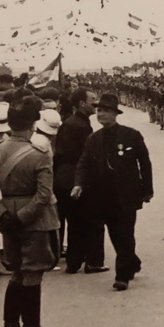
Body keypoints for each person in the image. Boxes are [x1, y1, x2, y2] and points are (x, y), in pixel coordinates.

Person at [0, 101, 59, 327]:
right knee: (33, 271)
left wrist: (2, 215)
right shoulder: (39, 154)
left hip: (6, 217)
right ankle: (32, 326)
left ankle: (11, 325)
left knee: (16, 271)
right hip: (35, 220)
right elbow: (44, 194)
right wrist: (23, 217)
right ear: (33, 125)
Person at [72, 92, 154, 290]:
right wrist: (79, 184)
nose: (101, 114)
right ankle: (131, 262)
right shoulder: (93, 138)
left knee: (125, 233)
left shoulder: (131, 135)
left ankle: (122, 276)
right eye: (99, 110)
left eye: (106, 111)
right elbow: (83, 164)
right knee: (115, 234)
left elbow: (144, 163)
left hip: (127, 195)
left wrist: (147, 189)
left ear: (115, 114)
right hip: (102, 196)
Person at [52, 89, 98, 274]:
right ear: (81, 103)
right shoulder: (81, 126)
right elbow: (83, 155)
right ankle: (76, 261)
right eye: (92, 100)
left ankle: (72, 260)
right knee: (79, 221)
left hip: (63, 176)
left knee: (70, 219)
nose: (96, 103)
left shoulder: (71, 122)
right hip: (74, 176)